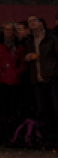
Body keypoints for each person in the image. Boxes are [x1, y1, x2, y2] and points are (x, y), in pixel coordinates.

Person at [23, 15, 57, 147]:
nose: (31, 23)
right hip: (37, 80)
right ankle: (48, 140)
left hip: (51, 78)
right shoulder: (29, 42)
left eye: (34, 21)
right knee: (42, 111)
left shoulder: (51, 39)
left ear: (41, 24)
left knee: (55, 109)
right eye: (29, 21)